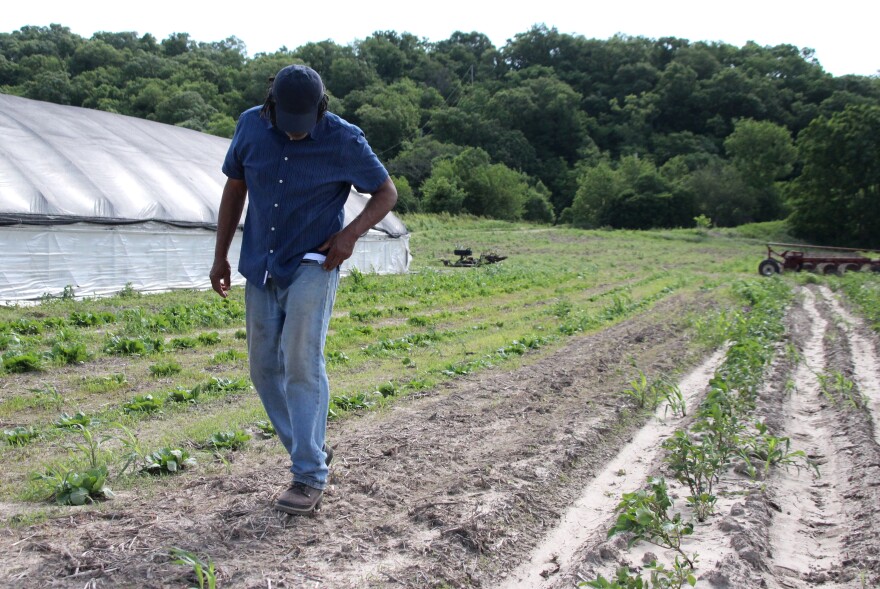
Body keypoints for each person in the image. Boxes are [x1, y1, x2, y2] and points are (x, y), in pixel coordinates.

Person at [209, 64, 397, 515]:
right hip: (262, 263)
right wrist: (220, 256)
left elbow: (385, 193)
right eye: (286, 123)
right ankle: (310, 445)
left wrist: (349, 235)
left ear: (320, 109)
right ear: (271, 107)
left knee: (301, 361)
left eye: (304, 124)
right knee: (261, 368)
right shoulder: (250, 125)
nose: (295, 133)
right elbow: (235, 191)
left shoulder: (344, 138)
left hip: (315, 260)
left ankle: (309, 475)